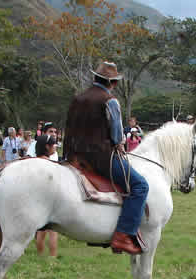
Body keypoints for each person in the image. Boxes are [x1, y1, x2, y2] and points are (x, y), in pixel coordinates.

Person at [64, 61, 149, 255]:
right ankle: (123, 236)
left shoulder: (78, 98)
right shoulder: (109, 101)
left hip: (75, 155)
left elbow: (68, 128)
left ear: (95, 78)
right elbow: (118, 136)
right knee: (140, 186)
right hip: (100, 158)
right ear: (113, 83)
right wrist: (118, 144)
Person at [35, 135, 59, 257]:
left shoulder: (33, 163)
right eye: (53, 144)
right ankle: (52, 258)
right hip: (50, 202)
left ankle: (40, 255)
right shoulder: (51, 164)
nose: (55, 147)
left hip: (38, 202)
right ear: (46, 146)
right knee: (53, 232)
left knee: (40, 232)